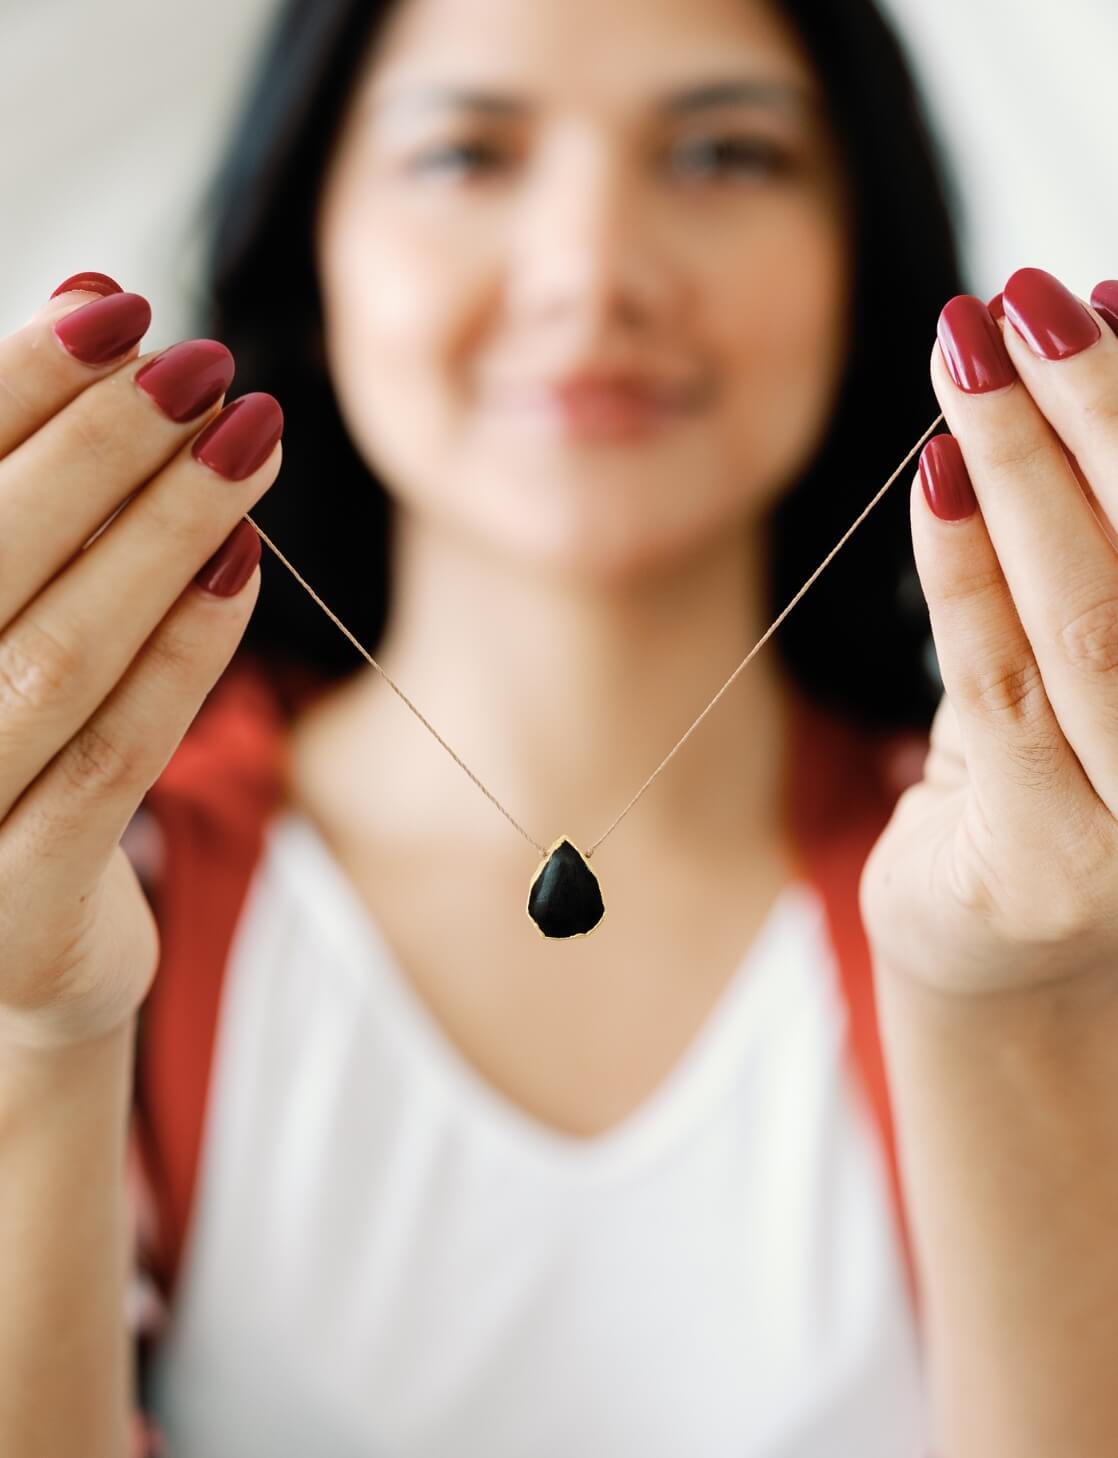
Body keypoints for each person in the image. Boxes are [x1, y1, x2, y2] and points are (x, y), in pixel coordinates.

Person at [1, 0, 1116, 1452]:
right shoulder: (98, 893)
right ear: (312, 237)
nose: (591, 273)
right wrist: (35, 1032)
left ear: (860, 248)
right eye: (464, 153)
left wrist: (1016, 1003)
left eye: (724, 153)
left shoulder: (1056, 879)